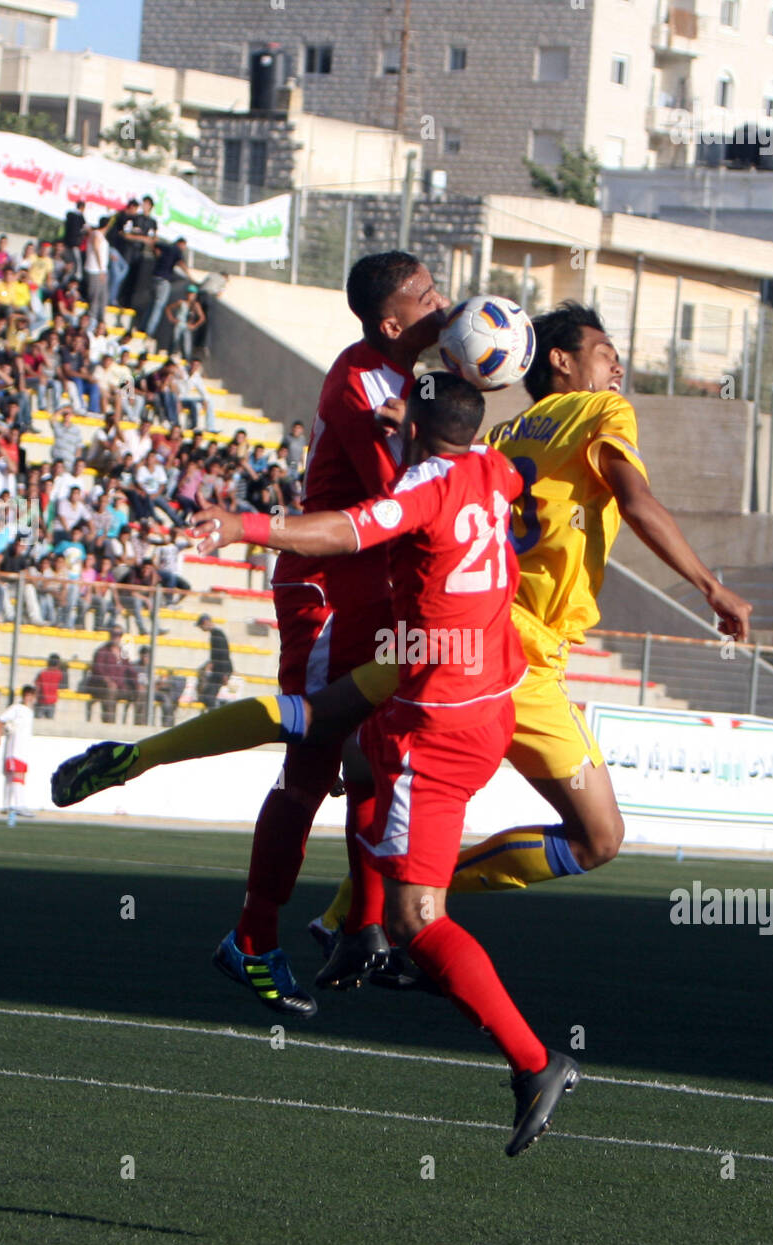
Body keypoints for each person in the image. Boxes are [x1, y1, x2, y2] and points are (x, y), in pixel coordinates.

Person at [58, 376, 582, 1156]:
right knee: (340, 748)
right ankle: (350, 928)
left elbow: (343, 530)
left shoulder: (427, 488)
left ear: (415, 432)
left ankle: (535, 1062)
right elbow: (513, 473)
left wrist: (243, 524)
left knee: (417, 913)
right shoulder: (491, 472)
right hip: (478, 686)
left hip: (433, 719)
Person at [0, 684, 36, 824]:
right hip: (14, 749)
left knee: (15, 777)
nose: (29, 698)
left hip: (23, 750)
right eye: (27, 695)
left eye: (31, 695)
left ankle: (7, 805)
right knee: (15, 776)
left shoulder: (30, 712)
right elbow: (2, 719)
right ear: (23, 696)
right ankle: (19, 805)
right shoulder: (17, 708)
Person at [145, 237, 190, 338]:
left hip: (155, 277)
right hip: (164, 279)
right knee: (158, 306)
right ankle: (150, 331)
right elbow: (181, 263)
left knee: (151, 304)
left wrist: (157, 255)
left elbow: (154, 243)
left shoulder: (166, 246)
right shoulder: (177, 250)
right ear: (181, 244)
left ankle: (143, 326)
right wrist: (189, 275)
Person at [196, 613, 232, 709]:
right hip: (218, 670)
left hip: (220, 671)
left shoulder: (217, 635)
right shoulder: (215, 634)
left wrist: (224, 674)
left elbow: (224, 654)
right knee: (206, 696)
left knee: (209, 697)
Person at [165, 286, 206, 360]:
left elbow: (202, 318)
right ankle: (170, 356)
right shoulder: (181, 302)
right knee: (175, 341)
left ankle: (186, 359)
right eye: (189, 294)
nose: (190, 296)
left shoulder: (195, 305)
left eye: (192, 294)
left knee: (187, 345)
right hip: (179, 324)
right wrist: (172, 319)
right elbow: (168, 308)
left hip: (187, 326)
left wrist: (194, 326)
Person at [34, 653, 66, 718]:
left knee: (37, 722)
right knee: (50, 723)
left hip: (41, 701)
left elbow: (37, 686)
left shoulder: (42, 673)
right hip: (52, 701)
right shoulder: (59, 674)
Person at [63, 202, 86, 280]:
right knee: (77, 260)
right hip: (75, 243)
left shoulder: (70, 215)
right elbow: (84, 228)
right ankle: (77, 275)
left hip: (67, 242)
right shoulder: (80, 217)